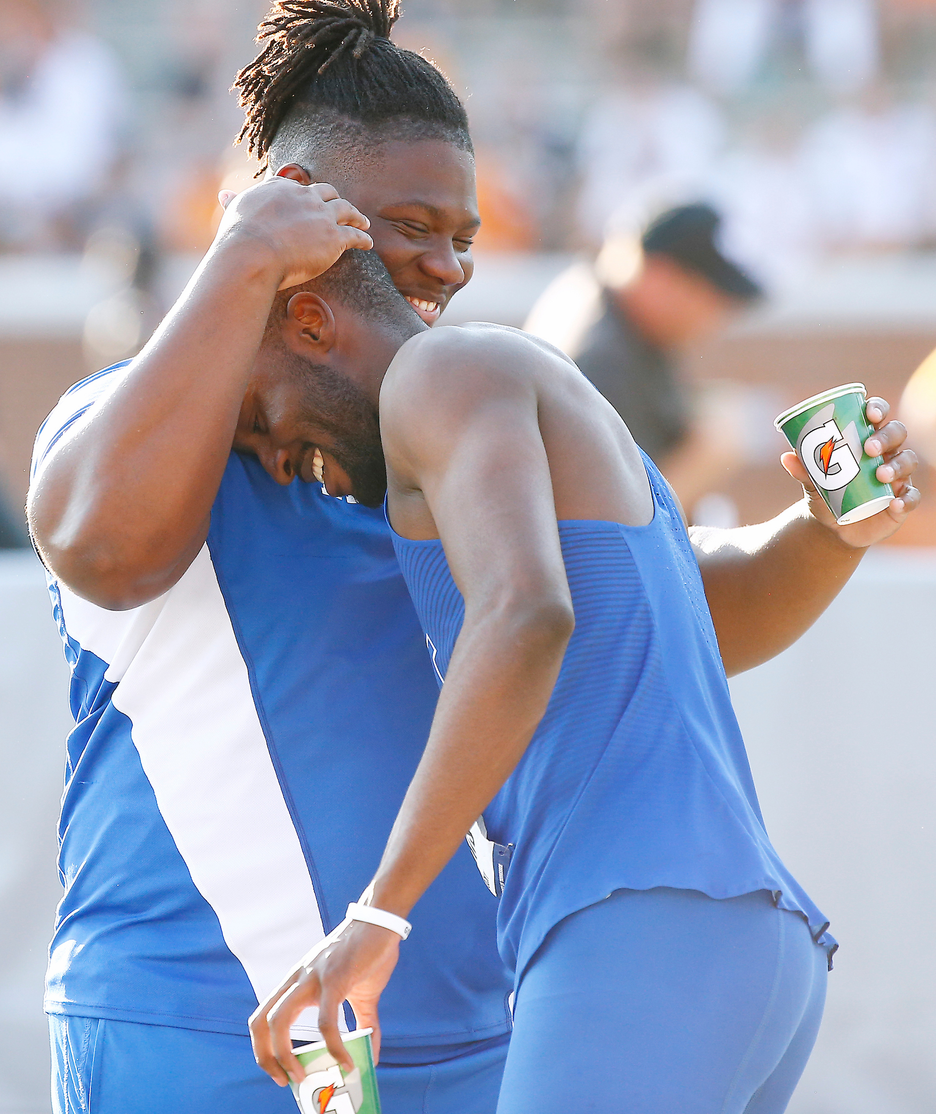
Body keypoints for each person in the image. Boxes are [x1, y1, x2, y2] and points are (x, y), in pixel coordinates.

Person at [28, 0, 917, 1113]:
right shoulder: (128, 416)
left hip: (460, 1033)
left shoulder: (440, 422)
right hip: (201, 1030)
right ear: (297, 211)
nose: (449, 267)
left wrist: (825, 531)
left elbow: (648, 611)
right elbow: (106, 547)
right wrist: (244, 248)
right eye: (412, 228)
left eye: (464, 237)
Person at [244, 250, 918, 1112]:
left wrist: (378, 915)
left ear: (310, 321)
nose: (270, 454)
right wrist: (828, 533)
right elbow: (699, 608)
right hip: (736, 941)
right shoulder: (530, 401)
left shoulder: (440, 370)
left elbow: (525, 617)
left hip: (641, 927)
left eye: (256, 411)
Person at [524, 202, 762, 509]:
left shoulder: (603, 295)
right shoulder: (603, 362)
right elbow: (611, 524)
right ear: (662, 276)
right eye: (711, 296)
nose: (715, 319)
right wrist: (703, 459)